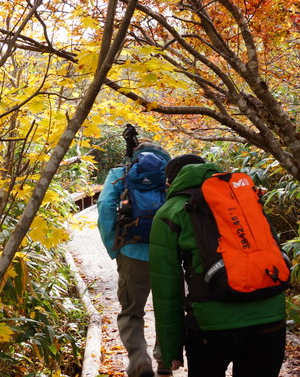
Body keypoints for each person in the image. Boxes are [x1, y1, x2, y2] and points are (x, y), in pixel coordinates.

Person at [149, 154, 287, 377]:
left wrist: (170, 349)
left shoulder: (170, 212)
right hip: (269, 315)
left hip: (211, 325)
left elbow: (167, 289)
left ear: (169, 183)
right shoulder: (243, 198)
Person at [97, 140, 173, 377]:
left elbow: (105, 205)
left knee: (131, 311)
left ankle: (140, 361)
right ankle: (165, 361)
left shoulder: (121, 173)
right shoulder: (172, 175)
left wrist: (115, 246)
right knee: (168, 309)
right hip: (167, 255)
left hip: (132, 251)